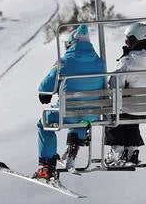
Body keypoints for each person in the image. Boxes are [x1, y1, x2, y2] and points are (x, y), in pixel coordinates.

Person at [34, 24, 107, 179]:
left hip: (68, 113)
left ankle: (46, 165)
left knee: (45, 122)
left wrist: (47, 93)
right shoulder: (100, 63)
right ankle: (74, 145)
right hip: (92, 114)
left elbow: (44, 89)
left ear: (71, 44)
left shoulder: (64, 62)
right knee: (83, 115)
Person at [104, 23, 146, 165]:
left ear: (134, 39)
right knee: (129, 106)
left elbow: (115, 85)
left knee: (115, 106)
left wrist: (123, 59)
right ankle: (131, 150)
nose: (126, 43)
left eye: (127, 39)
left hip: (131, 109)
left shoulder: (128, 60)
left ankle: (117, 151)